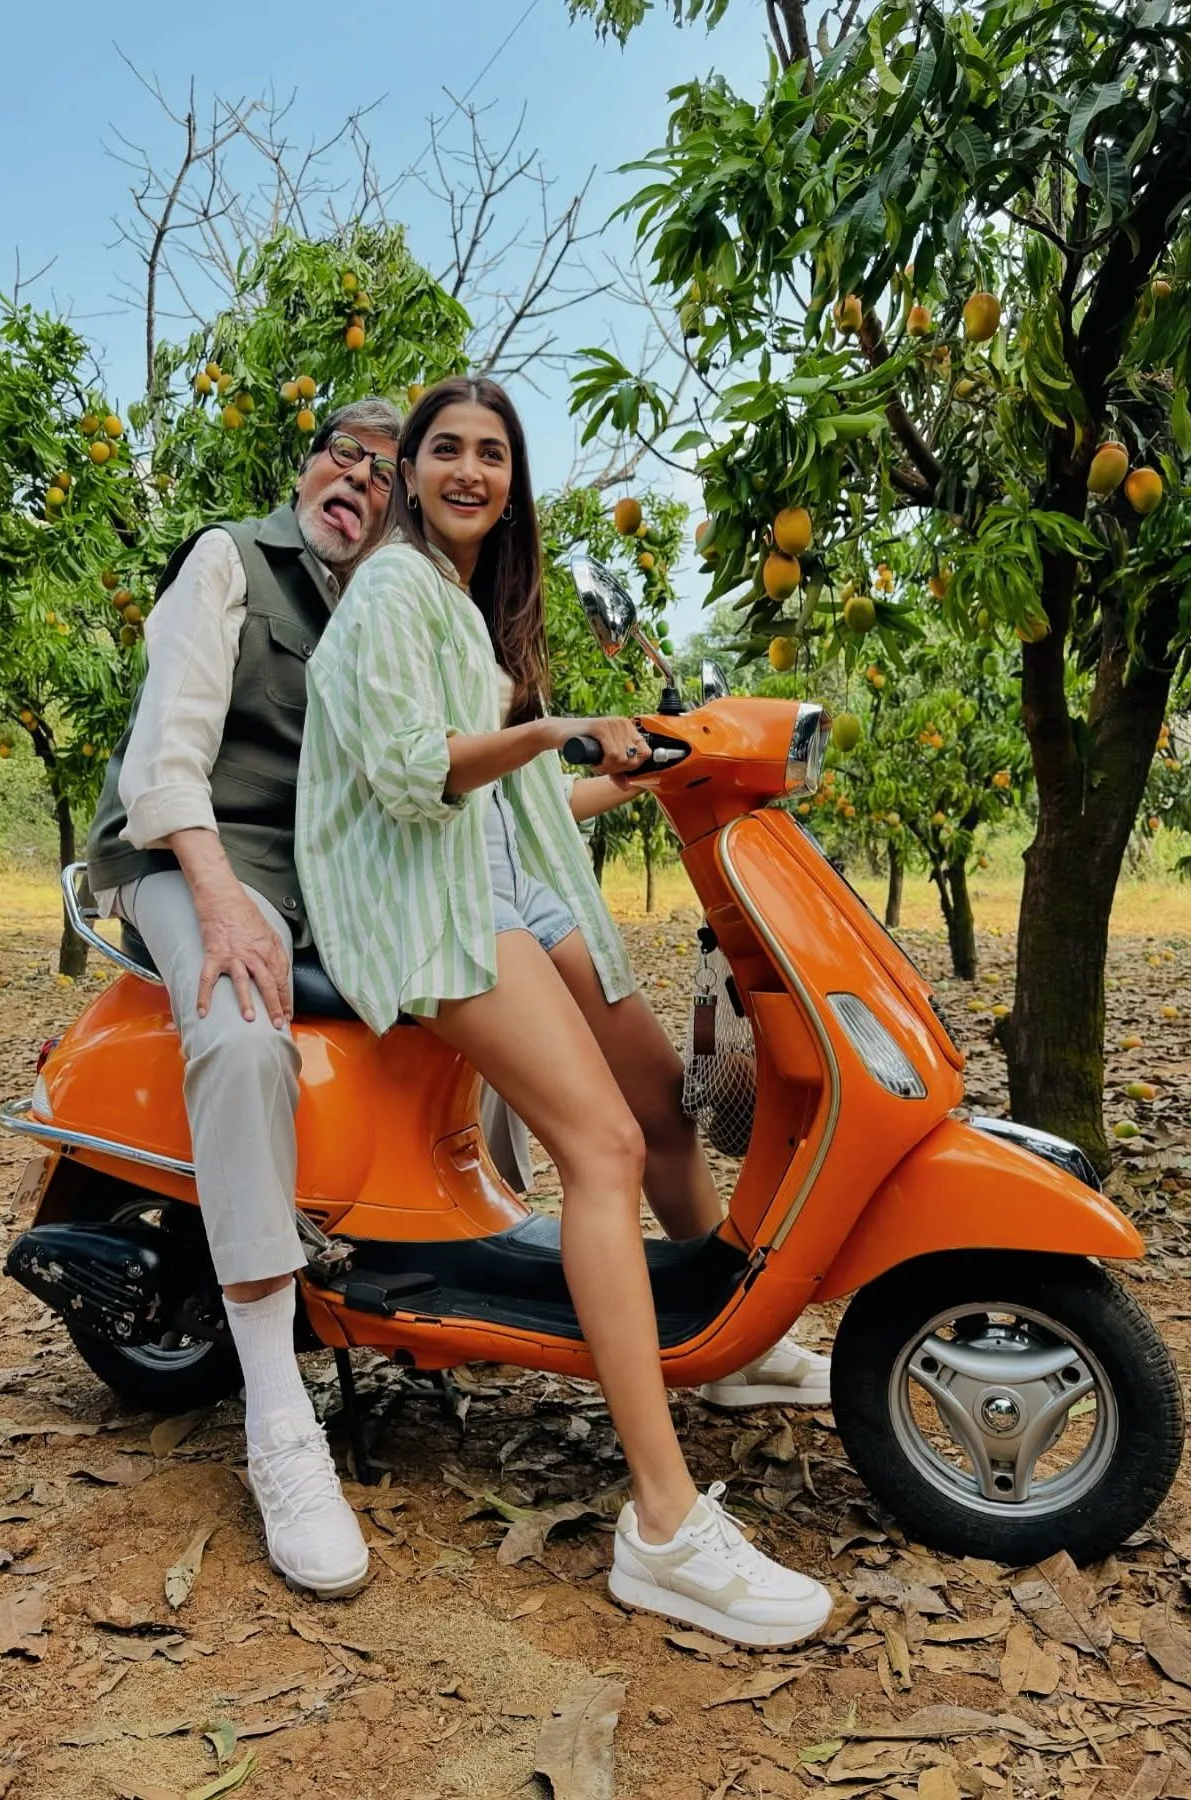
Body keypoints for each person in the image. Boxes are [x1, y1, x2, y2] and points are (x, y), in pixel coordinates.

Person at [297, 377, 833, 1648]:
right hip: (429, 907)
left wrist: (642, 768)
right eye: (446, 451)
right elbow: (412, 775)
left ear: (512, 480)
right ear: (408, 473)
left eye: (493, 452)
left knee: (658, 1101)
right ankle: (662, 1524)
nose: (470, 470)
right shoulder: (388, 595)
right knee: (596, 1149)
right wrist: (550, 732)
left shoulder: (469, 613)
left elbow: (517, 804)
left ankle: (734, 1343)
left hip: (511, 887)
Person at [84, 399, 408, 1602]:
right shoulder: (232, 557)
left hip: (316, 890)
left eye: (384, 480)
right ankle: (278, 1415)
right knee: (238, 1026)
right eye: (345, 458)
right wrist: (219, 903)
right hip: (191, 859)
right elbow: (166, 758)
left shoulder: (377, 613)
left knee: (484, 1004)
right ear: (307, 466)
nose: (359, 483)